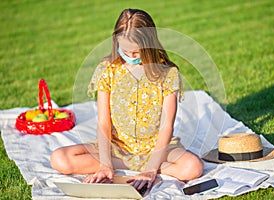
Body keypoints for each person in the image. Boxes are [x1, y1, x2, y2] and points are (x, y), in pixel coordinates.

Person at [50, 8, 203, 192]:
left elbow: (166, 126)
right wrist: (105, 164)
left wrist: (151, 168)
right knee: (59, 158)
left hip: (157, 150)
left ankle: (142, 168)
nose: (130, 57)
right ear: (116, 41)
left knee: (193, 167)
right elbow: (103, 122)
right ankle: (123, 166)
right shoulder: (107, 69)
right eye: (125, 50)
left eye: (136, 53)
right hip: (117, 148)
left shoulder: (167, 73)